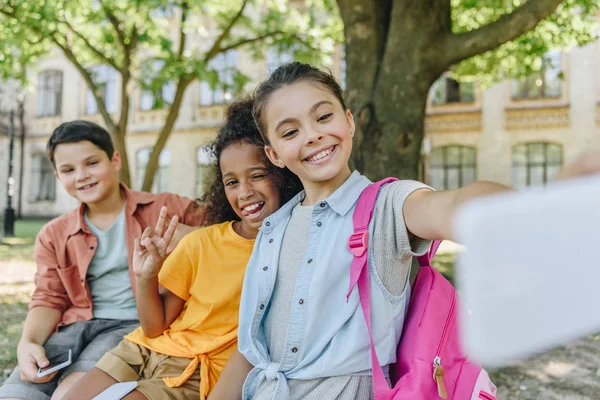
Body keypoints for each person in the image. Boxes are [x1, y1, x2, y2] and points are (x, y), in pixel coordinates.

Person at [209, 62, 600, 400]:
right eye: (290, 131)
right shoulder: (273, 229)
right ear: (275, 154)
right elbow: (249, 352)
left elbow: (449, 206)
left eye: (323, 117)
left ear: (348, 122)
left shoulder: (387, 206)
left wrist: (533, 210)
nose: (311, 135)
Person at [62, 99, 303, 400]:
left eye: (257, 175)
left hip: (196, 370)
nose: (244, 192)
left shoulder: (293, 249)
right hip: (141, 350)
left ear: (281, 171)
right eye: (231, 182)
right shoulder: (200, 243)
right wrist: (146, 276)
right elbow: (153, 328)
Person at [0, 120, 204, 400]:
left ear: (115, 160)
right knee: (16, 394)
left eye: (91, 163)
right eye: (69, 170)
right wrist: (28, 342)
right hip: (73, 328)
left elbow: (230, 234)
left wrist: (191, 236)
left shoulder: (167, 210)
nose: (82, 175)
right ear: (58, 177)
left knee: (70, 393)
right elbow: (49, 298)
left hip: (128, 328)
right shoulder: (54, 234)